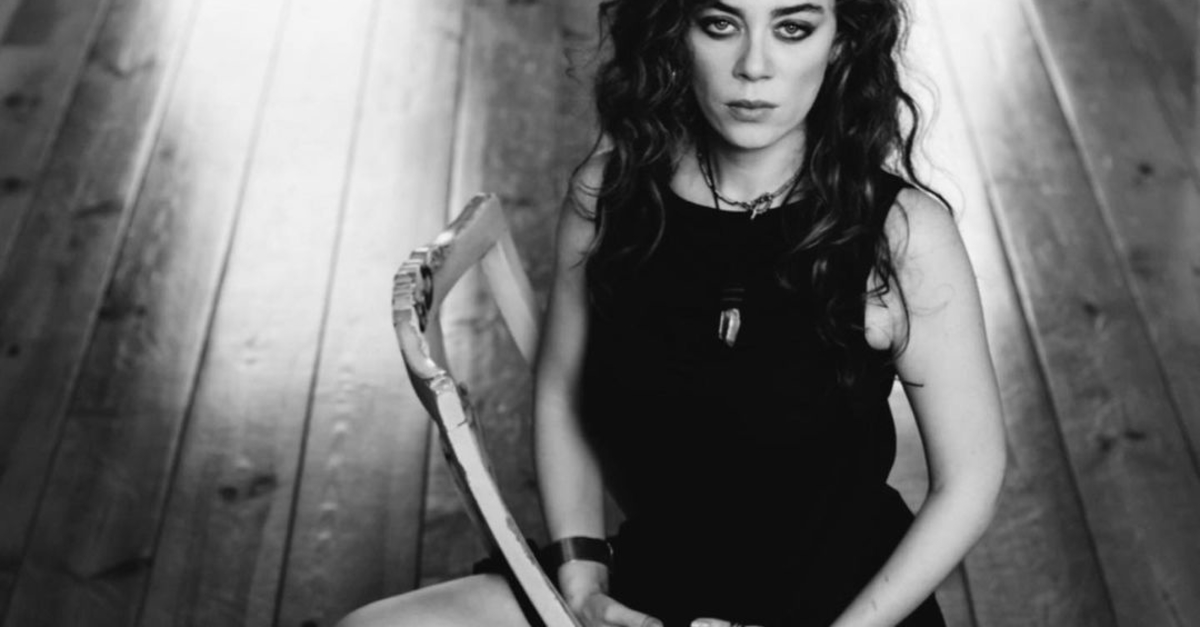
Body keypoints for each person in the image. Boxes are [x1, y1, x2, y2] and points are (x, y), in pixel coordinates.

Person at [339, 0, 1005, 625]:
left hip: (848, 603)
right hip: (652, 585)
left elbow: (969, 478)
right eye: (720, 24)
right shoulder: (610, 196)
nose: (754, 66)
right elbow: (561, 389)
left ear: (841, 42)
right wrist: (583, 577)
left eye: (793, 28)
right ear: (676, 31)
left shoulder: (900, 233)